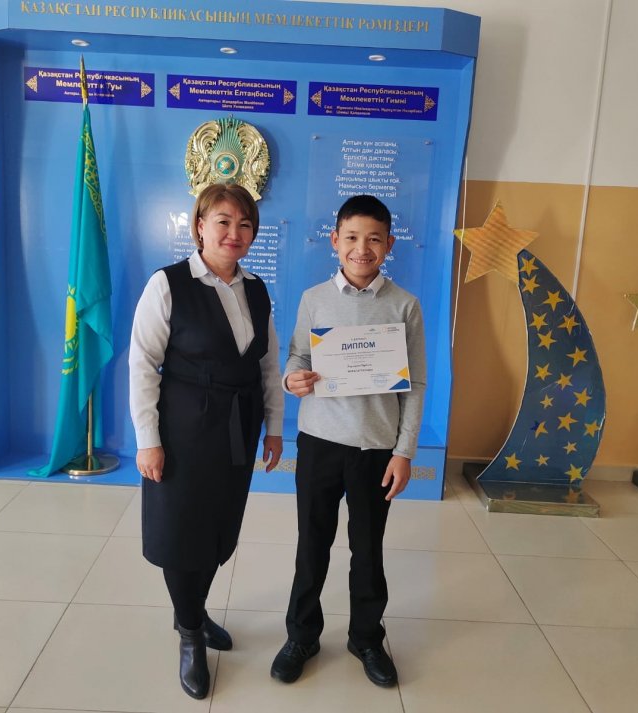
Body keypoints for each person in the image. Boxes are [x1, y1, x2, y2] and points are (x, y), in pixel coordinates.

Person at [129, 183, 284, 700]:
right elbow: (142, 364)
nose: (234, 233)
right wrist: (148, 439)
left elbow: (268, 364)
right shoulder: (168, 284)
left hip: (240, 425)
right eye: (223, 221)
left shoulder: (256, 289)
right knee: (181, 529)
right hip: (183, 429)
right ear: (199, 226)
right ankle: (190, 633)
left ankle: (192, 610)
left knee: (219, 527)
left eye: (244, 224)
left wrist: (274, 427)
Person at [270, 194, 426, 688]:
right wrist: (291, 378)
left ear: (389, 245)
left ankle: (366, 638)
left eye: (374, 239)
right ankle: (301, 635)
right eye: (352, 237)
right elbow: (298, 356)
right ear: (335, 241)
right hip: (319, 442)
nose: (363, 248)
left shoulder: (405, 305)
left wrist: (403, 452)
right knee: (312, 545)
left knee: (368, 549)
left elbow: (415, 384)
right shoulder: (314, 298)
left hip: (376, 449)